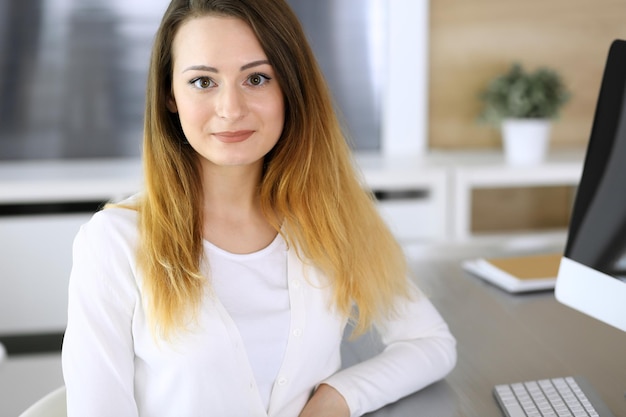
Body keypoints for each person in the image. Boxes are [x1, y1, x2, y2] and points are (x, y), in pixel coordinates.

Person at [61, 0, 457, 416]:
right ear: (169, 96)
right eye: (202, 82)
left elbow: (429, 342)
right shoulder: (114, 242)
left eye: (257, 78)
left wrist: (338, 398)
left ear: (291, 87)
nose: (231, 109)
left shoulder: (333, 216)